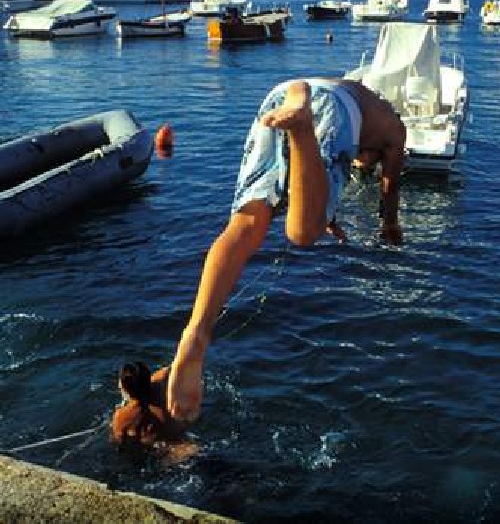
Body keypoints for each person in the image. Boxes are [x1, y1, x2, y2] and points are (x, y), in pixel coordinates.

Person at [167, 78, 406, 423]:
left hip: (283, 93)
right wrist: (390, 227)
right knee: (302, 233)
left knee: (245, 225)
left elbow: (323, 165)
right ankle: (301, 129)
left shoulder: (363, 95)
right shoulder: (395, 130)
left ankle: (196, 332)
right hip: (331, 109)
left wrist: (328, 212)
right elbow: (391, 186)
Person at [111, 361, 189, 449]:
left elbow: (118, 442)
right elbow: (178, 365)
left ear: (125, 388)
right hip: (179, 439)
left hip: (158, 449)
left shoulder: (121, 416)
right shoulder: (159, 382)